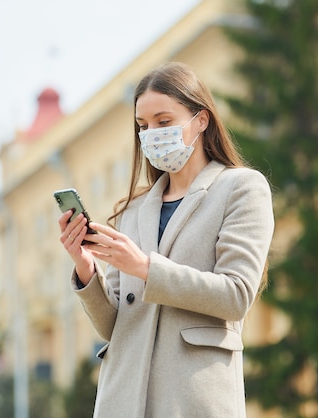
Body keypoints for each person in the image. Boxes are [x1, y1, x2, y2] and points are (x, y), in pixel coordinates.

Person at [58, 61, 274, 417]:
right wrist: (86, 269)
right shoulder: (132, 210)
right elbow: (113, 326)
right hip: (122, 399)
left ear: (201, 120)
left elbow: (236, 296)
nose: (151, 134)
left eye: (163, 121)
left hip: (193, 398)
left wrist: (144, 267)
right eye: (143, 126)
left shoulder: (241, 189)